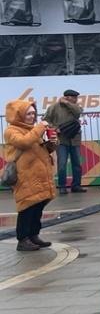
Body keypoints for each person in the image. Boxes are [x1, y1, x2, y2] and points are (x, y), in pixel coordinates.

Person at [4, 100, 56, 252]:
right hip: (24, 175)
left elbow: (38, 149)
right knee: (27, 207)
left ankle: (34, 235)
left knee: (38, 206)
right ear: (19, 114)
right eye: (28, 113)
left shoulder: (33, 129)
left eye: (33, 113)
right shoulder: (11, 131)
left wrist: (52, 144)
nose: (32, 116)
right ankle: (23, 239)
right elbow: (24, 143)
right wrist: (40, 127)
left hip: (38, 175)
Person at [45, 89, 85, 194]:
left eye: (76, 97)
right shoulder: (54, 107)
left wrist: (67, 103)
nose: (76, 99)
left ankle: (76, 186)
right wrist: (54, 128)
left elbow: (78, 113)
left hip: (75, 139)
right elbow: (46, 120)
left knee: (77, 164)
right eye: (74, 97)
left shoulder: (76, 107)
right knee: (62, 164)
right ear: (67, 97)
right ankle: (62, 186)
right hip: (61, 140)